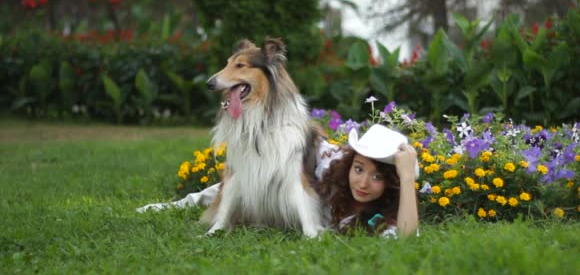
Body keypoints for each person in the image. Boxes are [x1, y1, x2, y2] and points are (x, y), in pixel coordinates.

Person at [137, 124, 419, 237]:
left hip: (283, 212)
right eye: (359, 169)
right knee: (235, 185)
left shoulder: (383, 216)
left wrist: (408, 179)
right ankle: (172, 206)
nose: (363, 183)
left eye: (377, 177)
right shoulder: (335, 167)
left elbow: (406, 238)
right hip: (285, 183)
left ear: (392, 184)